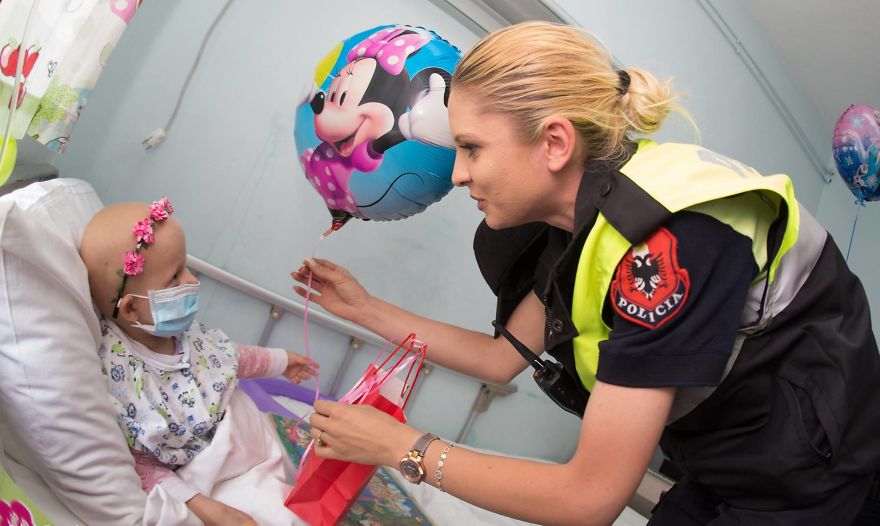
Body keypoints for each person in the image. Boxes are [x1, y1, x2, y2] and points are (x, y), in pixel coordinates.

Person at [291, 21, 880, 526]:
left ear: (553, 142)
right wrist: (363, 307)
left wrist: (404, 448)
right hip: (723, 461)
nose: (458, 175)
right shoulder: (579, 231)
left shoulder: (667, 242)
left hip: (809, 484)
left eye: (471, 148)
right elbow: (501, 359)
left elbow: (591, 498)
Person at [80, 198, 318, 526]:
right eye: (175, 278)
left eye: (186, 268)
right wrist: (204, 508)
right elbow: (142, 466)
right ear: (132, 309)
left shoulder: (186, 335)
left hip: (262, 438)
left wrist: (282, 361)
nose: (193, 281)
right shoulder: (122, 379)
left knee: (320, 479)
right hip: (227, 479)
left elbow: (230, 358)